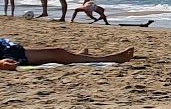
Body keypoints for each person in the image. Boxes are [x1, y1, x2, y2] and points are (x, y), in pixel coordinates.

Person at [0, 38, 134, 69]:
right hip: (11, 53)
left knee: (58, 53)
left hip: (10, 49)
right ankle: (109, 58)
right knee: (58, 53)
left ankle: (76, 56)